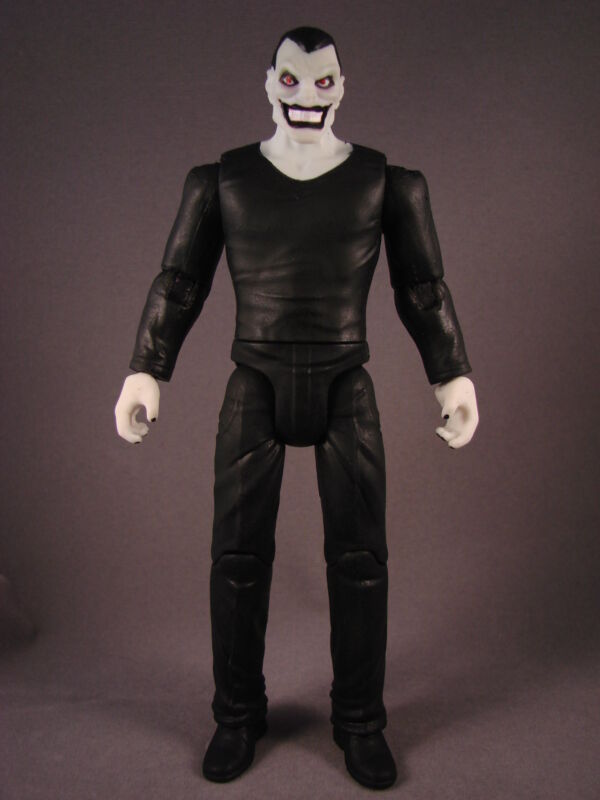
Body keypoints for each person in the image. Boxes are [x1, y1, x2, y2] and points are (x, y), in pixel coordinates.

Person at [115, 26, 479, 790]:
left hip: (347, 379)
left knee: (361, 560)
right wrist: (147, 369)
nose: (307, 96)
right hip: (255, 377)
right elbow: (180, 282)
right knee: (236, 558)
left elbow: (421, 288)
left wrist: (451, 376)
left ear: (342, 88)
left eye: (322, 81)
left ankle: (361, 721)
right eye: (291, 80)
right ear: (268, 83)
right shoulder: (223, 181)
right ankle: (236, 714)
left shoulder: (384, 182)